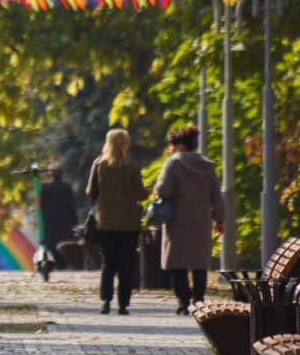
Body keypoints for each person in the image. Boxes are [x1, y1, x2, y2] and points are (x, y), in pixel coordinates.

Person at [154, 125, 226, 315]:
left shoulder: (173, 163)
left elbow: (164, 190)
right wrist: (220, 218)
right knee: (199, 263)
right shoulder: (206, 165)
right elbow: (217, 196)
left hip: (178, 219)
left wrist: (156, 192)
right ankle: (199, 299)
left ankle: (183, 301)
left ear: (178, 145)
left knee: (177, 262)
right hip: (201, 220)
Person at [86, 128, 147, 316]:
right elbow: (140, 194)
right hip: (129, 224)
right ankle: (123, 304)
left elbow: (90, 192)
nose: (129, 145)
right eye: (127, 142)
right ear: (121, 144)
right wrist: (148, 192)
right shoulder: (133, 167)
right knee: (126, 264)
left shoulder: (99, 164)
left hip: (106, 222)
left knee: (108, 263)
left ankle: (105, 301)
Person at [40, 166, 78, 269]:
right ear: (62, 174)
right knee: (64, 243)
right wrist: (74, 220)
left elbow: (41, 206)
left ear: (51, 174)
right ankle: (64, 265)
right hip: (65, 221)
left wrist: (41, 220)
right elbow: (71, 205)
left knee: (51, 244)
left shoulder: (45, 188)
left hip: (50, 221)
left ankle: (56, 264)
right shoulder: (67, 187)